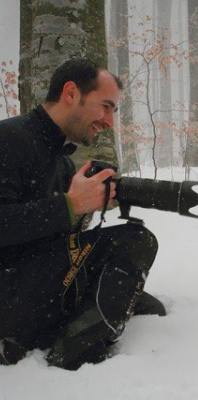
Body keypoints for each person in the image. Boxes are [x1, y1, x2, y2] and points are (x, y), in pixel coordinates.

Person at [0, 58, 165, 370]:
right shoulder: (9, 139)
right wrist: (70, 206)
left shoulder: (61, 161)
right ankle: (74, 353)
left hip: (33, 285)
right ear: (71, 93)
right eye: (105, 106)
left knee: (121, 251)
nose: (109, 121)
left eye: (114, 111)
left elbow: (50, 236)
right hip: (9, 296)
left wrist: (86, 207)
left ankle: (97, 305)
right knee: (135, 241)